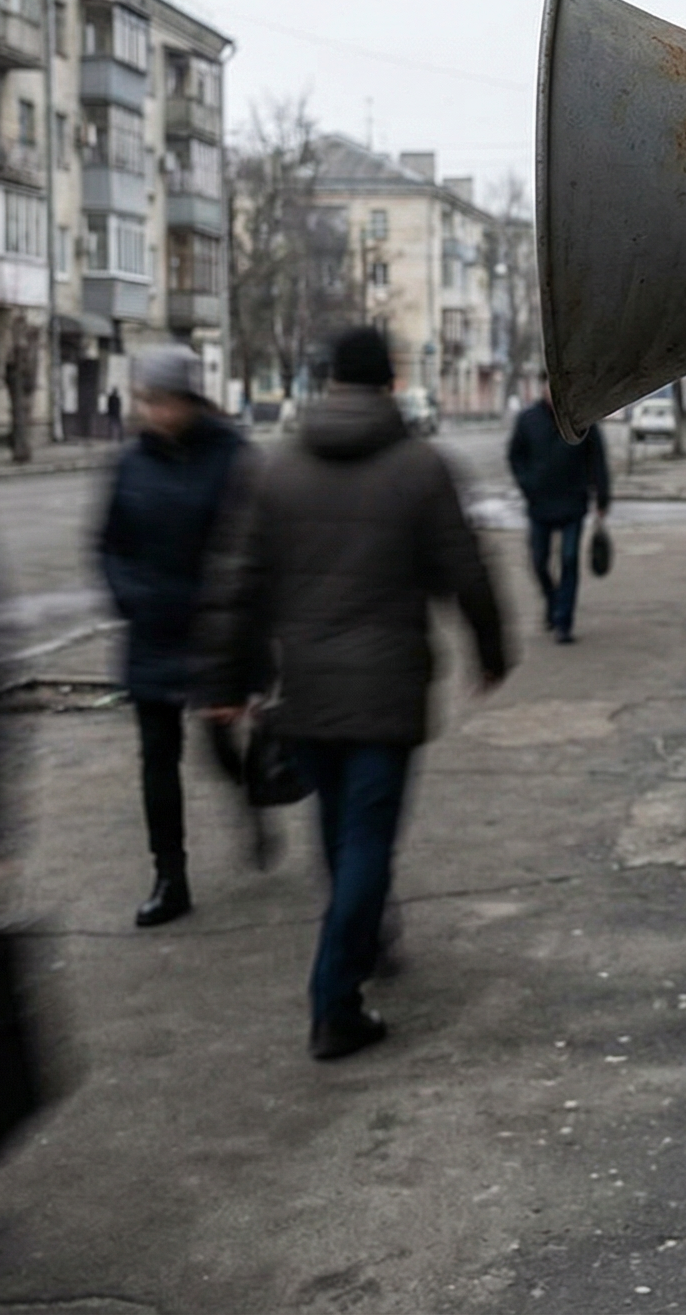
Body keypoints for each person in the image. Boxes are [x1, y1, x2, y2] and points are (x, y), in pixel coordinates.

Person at [201, 326, 509, 1062]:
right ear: (390, 382)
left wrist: (225, 683)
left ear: (329, 378)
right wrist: (490, 652)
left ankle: (362, 943)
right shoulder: (420, 466)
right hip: (388, 689)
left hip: (304, 689)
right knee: (367, 839)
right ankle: (334, 1001)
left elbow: (237, 583)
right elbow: (465, 570)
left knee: (340, 835)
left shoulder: (277, 469)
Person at [97, 346, 249, 926]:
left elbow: (254, 548)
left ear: (189, 399)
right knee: (157, 761)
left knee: (220, 749)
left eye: (164, 401)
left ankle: (250, 805)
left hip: (215, 635)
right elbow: (108, 544)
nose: (155, 412)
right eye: (147, 401)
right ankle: (170, 877)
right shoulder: (131, 463)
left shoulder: (233, 457)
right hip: (152, 635)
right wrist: (129, 596)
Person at [505, 382, 610, 644]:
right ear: (542, 388)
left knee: (569, 559)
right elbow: (515, 456)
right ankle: (553, 601)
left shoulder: (581, 420)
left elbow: (596, 459)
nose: (554, 392)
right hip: (539, 503)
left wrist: (602, 497)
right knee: (539, 562)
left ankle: (563, 621)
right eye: (549, 386)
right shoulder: (528, 419)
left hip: (573, 502)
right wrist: (528, 484)